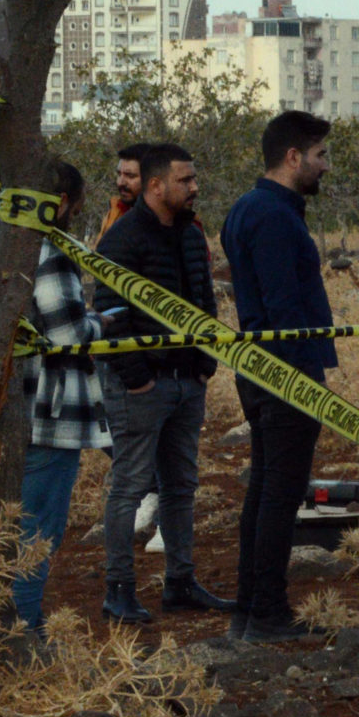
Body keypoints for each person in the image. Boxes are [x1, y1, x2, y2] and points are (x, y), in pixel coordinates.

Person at [0, 160, 111, 632]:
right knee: (33, 537)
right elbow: (68, 336)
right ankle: (22, 639)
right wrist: (103, 323)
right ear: (61, 204)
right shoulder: (47, 251)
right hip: (42, 418)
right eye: (76, 208)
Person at [92, 141, 233, 625]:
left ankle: (180, 582)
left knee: (181, 486)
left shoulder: (192, 237)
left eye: (194, 179)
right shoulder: (121, 239)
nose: (195, 187)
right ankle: (119, 590)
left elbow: (205, 303)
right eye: (185, 180)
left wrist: (203, 366)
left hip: (186, 383)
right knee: (129, 487)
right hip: (143, 387)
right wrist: (136, 380)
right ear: (156, 186)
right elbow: (109, 314)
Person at [221, 111, 337, 642]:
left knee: (267, 490)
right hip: (284, 373)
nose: (324, 167)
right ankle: (266, 612)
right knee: (278, 494)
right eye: (319, 156)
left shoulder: (253, 209)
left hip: (263, 370)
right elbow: (282, 307)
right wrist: (301, 375)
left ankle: (250, 611)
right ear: (293, 157)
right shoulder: (270, 216)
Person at [97, 142, 149, 241]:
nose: (121, 182)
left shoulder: (164, 221)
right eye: (119, 174)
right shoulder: (115, 210)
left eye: (130, 176)